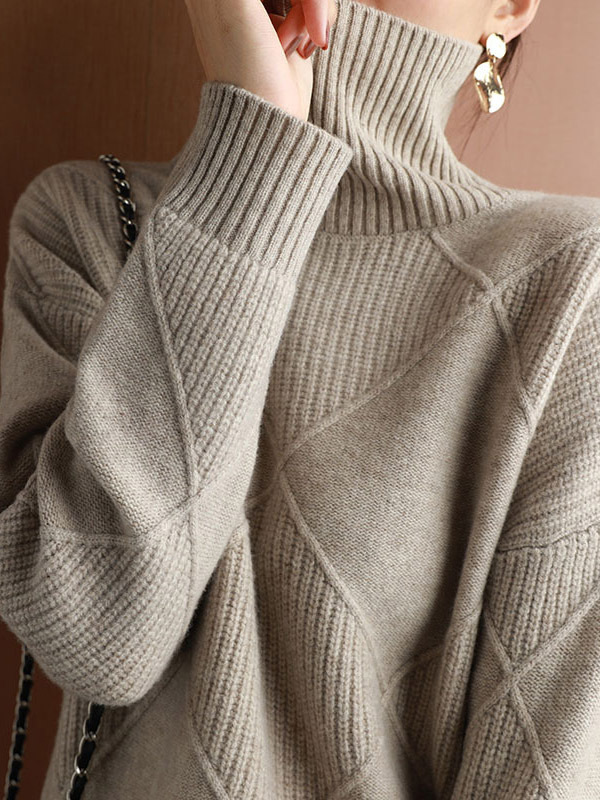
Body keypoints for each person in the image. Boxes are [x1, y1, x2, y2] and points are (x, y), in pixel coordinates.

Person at [1, 0, 599, 796]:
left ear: (513, 5)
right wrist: (256, 149)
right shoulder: (89, 225)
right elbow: (94, 628)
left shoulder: (569, 294)